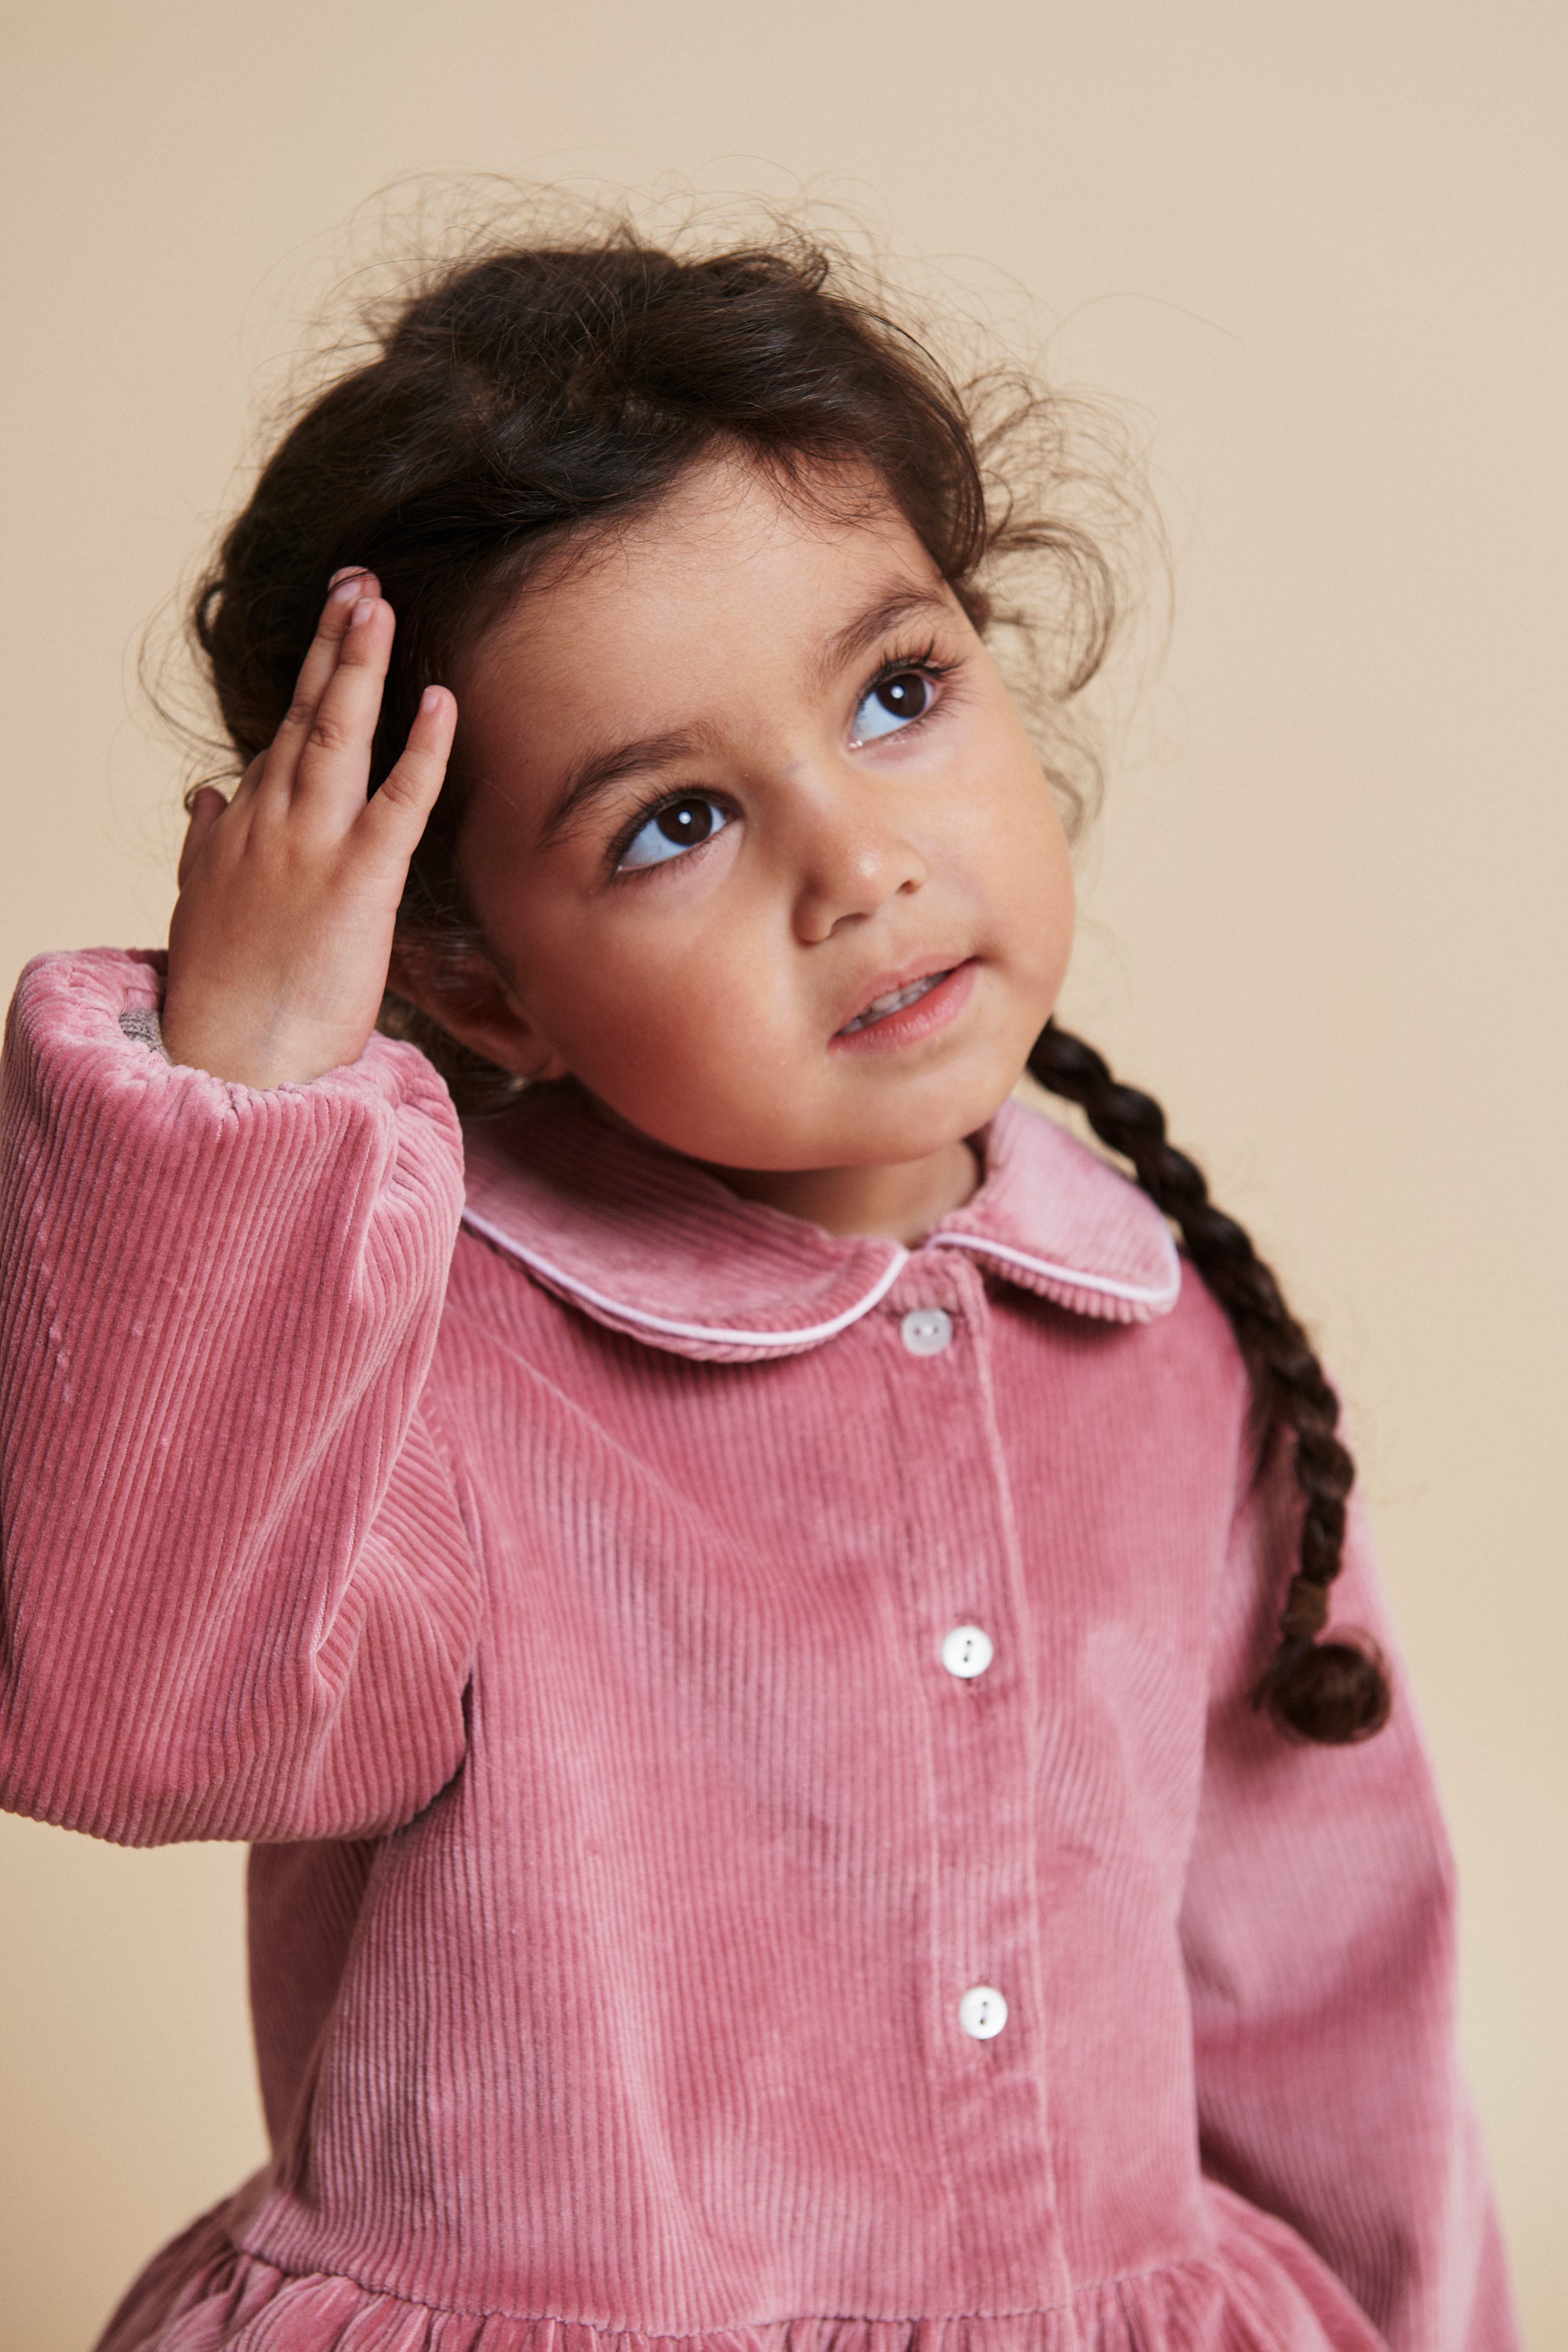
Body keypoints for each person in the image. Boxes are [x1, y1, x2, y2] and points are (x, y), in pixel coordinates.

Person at [0, 220, 1518, 2352]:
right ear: (475, 986)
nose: (858, 863)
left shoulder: (1183, 1344)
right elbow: (136, 1718)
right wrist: (240, 1095)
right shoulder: (416, 1347)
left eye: (900, 696)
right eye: (676, 821)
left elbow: (1337, 2001)